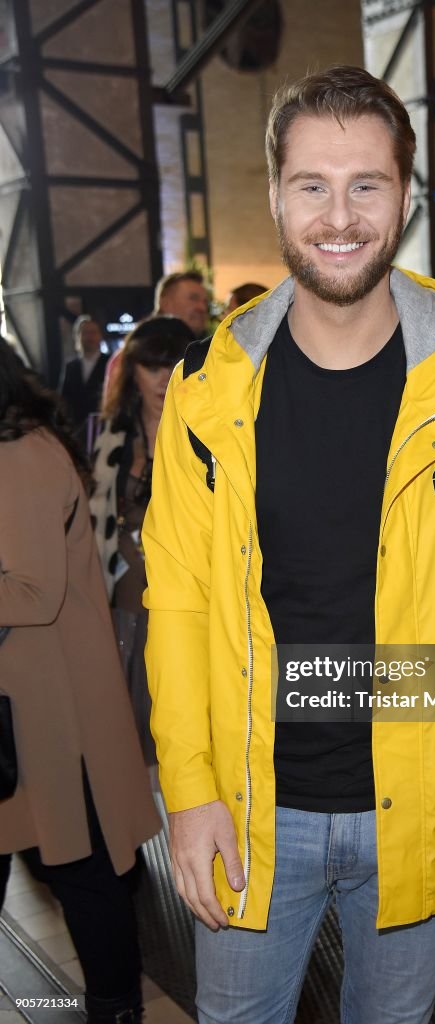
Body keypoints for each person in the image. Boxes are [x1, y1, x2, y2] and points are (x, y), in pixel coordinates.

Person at [143, 66, 435, 1024]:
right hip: (252, 808)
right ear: (276, 197)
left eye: (365, 185)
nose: (339, 216)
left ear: (405, 196)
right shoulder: (207, 390)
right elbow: (177, 603)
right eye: (313, 186)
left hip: (423, 802)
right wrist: (189, 790)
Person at [0, 337, 160, 1024]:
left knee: (82, 868)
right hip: (24, 709)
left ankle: (116, 1009)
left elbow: (32, 593)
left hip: (52, 715)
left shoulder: (21, 456)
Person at [90, 316, 194, 764]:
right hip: (127, 598)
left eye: (174, 364)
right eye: (153, 366)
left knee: (188, 722)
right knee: (132, 728)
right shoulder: (108, 436)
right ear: (132, 369)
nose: (164, 377)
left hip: (189, 596)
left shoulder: (213, 432)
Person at [102, 272, 209, 410]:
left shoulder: (209, 357)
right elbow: (114, 413)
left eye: (205, 302)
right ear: (165, 303)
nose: (202, 308)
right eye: (193, 299)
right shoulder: (128, 356)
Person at [59, 315, 108, 443]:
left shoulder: (109, 363)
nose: (89, 337)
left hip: (103, 430)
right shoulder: (71, 367)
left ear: (100, 335)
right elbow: (64, 398)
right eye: (85, 333)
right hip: (76, 431)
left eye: (93, 332)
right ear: (78, 336)